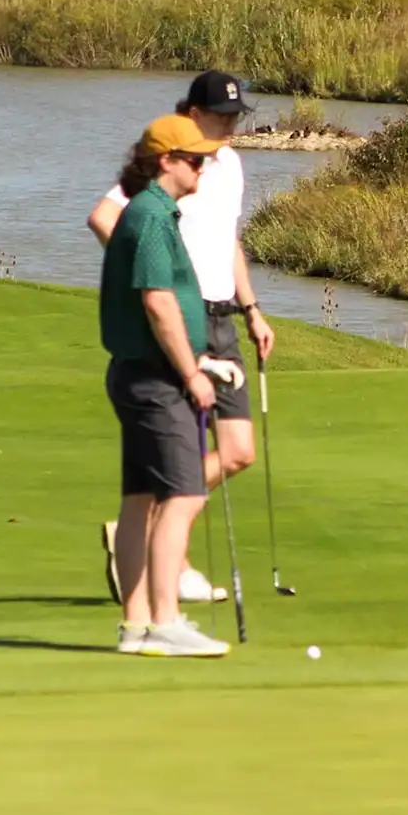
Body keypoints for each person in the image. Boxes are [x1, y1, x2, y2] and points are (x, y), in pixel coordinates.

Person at [87, 71, 275, 604]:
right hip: (180, 324)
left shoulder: (230, 165)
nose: (231, 128)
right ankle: (174, 566)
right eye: (221, 118)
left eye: (236, 117)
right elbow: (104, 218)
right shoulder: (168, 163)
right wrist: (157, 279)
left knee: (238, 452)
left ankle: (149, 532)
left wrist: (253, 308)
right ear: (192, 116)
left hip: (222, 318)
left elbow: (227, 240)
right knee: (182, 453)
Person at [100, 114, 240, 657]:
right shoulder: (153, 216)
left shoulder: (147, 212)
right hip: (157, 382)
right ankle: (165, 622)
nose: (203, 166)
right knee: (182, 496)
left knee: (139, 500)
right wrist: (193, 374)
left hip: (140, 374)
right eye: (194, 158)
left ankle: (136, 627)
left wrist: (202, 359)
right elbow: (159, 303)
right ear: (167, 162)